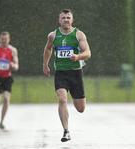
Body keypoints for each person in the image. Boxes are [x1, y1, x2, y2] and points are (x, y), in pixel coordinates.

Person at [43, 9, 91, 142]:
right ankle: (66, 131)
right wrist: (45, 64)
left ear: (72, 20)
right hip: (61, 73)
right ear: (59, 20)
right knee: (62, 99)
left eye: (68, 17)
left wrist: (78, 56)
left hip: (75, 73)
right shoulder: (53, 35)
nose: (66, 20)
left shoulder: (78, 35)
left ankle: (74, 102)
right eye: (63, 18)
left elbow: (88, 53)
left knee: (80, 108)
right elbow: (48, 48)